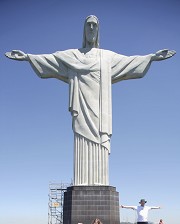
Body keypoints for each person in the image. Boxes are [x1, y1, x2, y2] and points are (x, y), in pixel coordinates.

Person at [5, 15, 176, 187]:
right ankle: (82, 181)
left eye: (95, 25)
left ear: (98, 30)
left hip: (101, 110)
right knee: (81, 140)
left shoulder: (107, 57)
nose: (92, 28)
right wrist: (27, 57)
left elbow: (129, 62)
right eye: (89, 25)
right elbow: (51, 59)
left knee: (100, 144)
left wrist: (152, 57)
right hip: (81, 106)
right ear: (84, 30)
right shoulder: (72, 56)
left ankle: (100, 182)